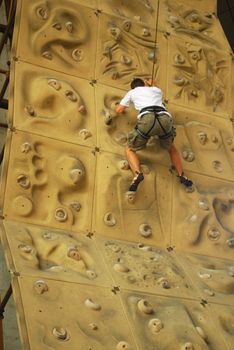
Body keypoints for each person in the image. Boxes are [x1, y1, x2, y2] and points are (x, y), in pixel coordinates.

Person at [115, 78, 193, 193]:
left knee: (130, 149)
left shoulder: (132, 92)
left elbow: (119, 110)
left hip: (148, 119)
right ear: (144, 85)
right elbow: (154, 88)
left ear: (133, 87)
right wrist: (152, 84)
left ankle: (137, 174)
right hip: (164, 119)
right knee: (172, 149)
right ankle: (182, 175)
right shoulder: (157, 90)